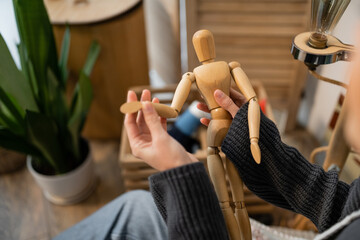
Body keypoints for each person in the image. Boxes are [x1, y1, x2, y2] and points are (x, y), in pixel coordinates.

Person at [55, 45, 360, 240]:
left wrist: (179, 170)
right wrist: (260, 144)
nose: (350, 65)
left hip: (215, 132)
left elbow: (177, 108)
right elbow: (343, 208)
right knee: (143, 205)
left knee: (140, 207)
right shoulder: (225, 68)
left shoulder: (201, 72)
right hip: (222, 127)